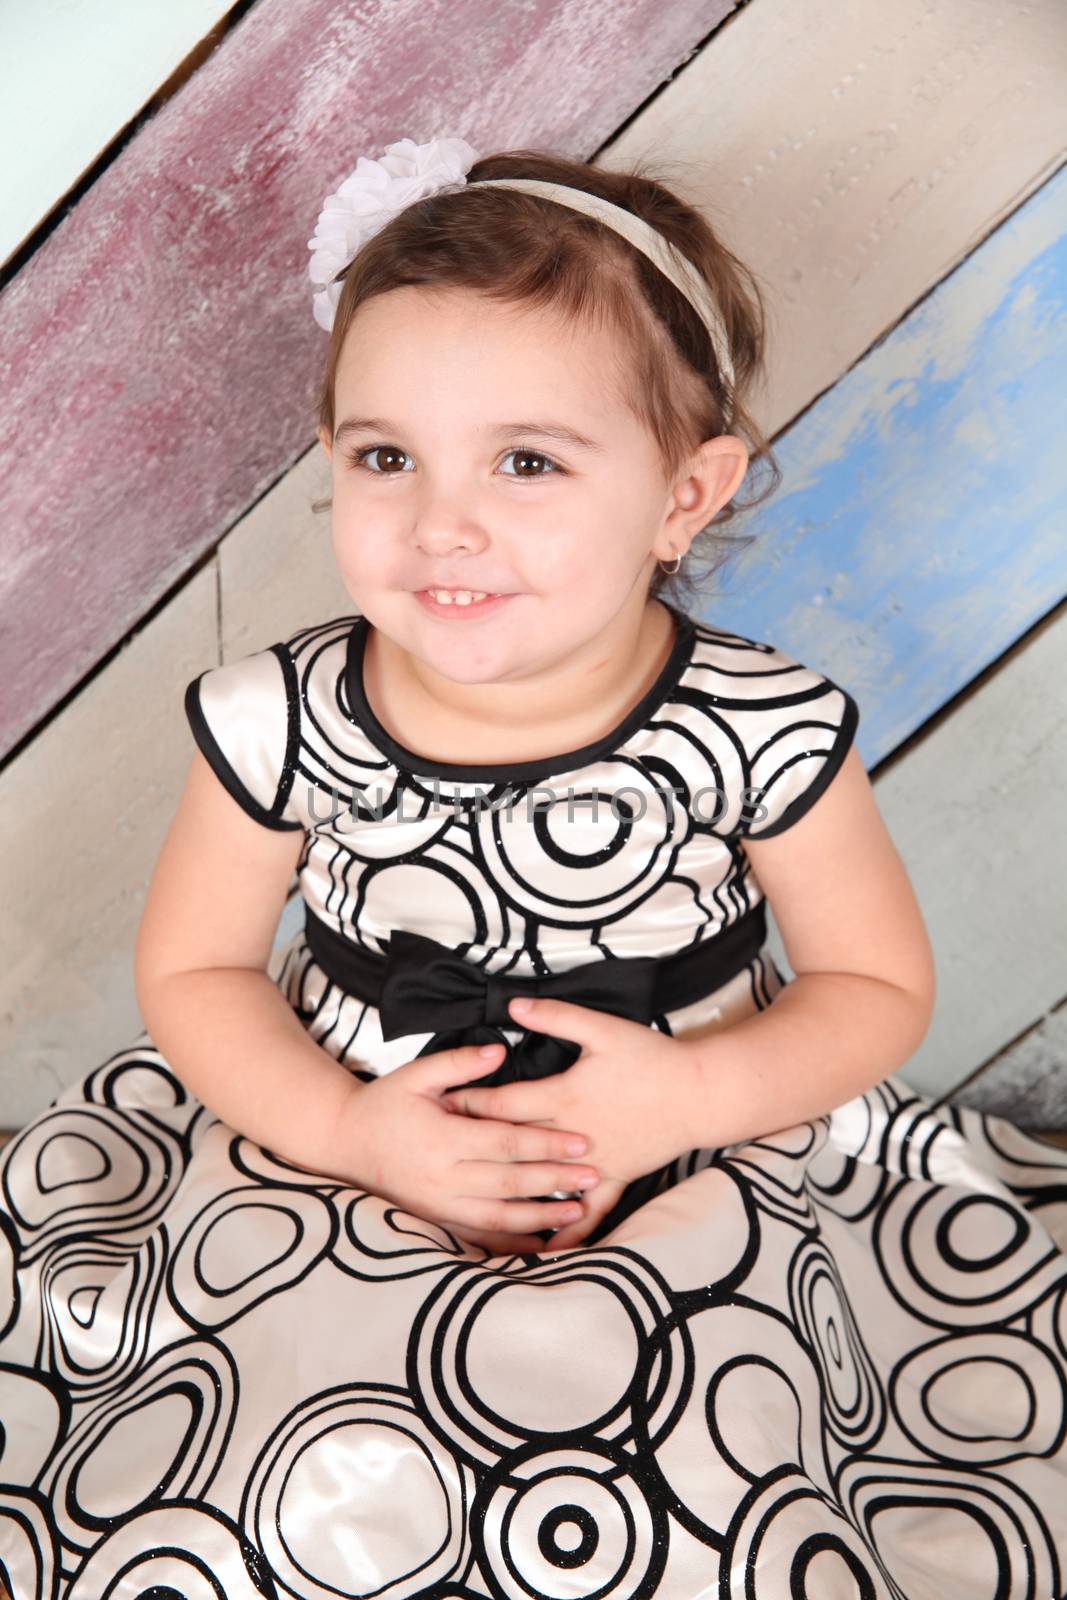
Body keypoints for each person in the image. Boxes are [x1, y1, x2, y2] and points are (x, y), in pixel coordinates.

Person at [1, 135, 1065, 1600]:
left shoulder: (757, 728)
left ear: (686, 495)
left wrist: (686, 1096)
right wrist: (352, 1131)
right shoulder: (284, 720)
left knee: (698, 1447)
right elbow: (191, 970)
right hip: (351, 1130)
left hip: (698, 1137)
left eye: (527, 461)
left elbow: (876, 986)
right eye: (387, 457)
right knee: (303, 1439)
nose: (445, 521)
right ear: (332, 462)